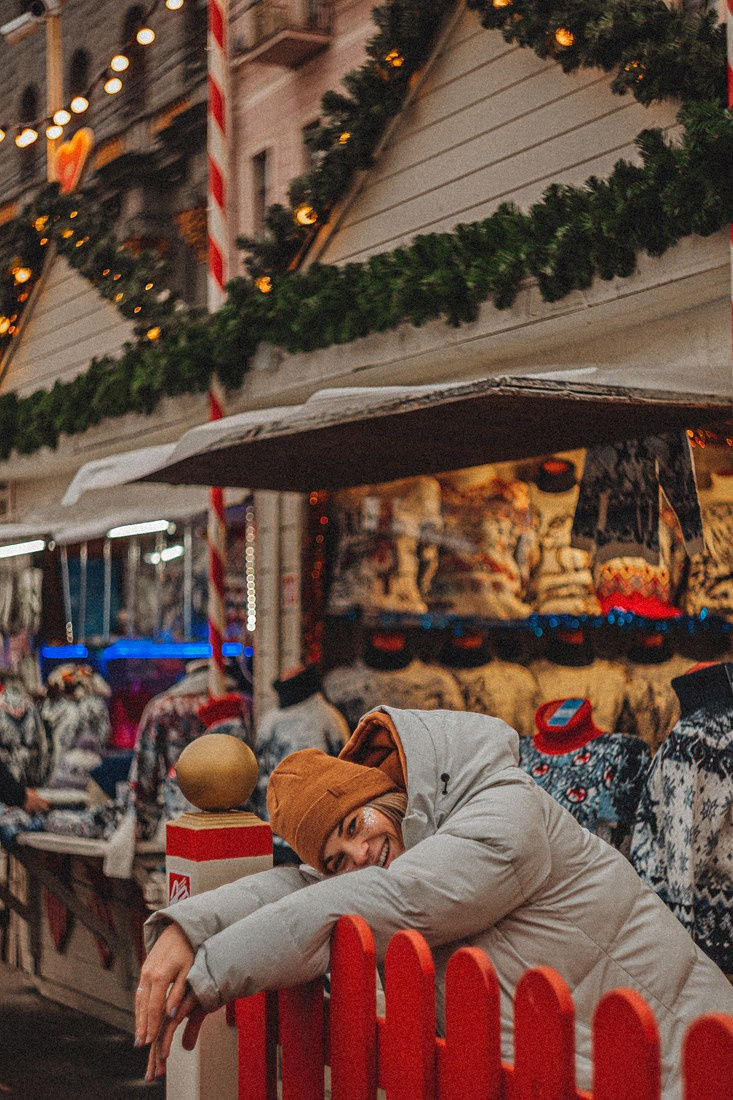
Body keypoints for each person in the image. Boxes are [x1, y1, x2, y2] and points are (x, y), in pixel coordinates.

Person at [136, 707, 733, 1097]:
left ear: (390, 790)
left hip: (694, 1064)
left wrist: (210, 974)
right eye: (337, 856)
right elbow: (303, 887)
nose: (359, 852)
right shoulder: (409, 847)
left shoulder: (505, 813)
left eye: (354, 821)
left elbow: (387, 899)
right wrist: (186, 929)